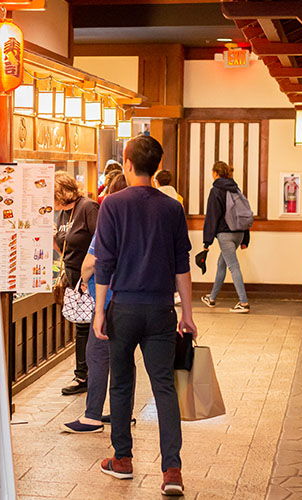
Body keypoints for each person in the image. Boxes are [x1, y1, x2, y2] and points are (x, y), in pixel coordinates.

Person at [92, 135, 196, 496]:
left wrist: (99, 311)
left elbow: (105, 263)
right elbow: (182, 264)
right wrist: (188, 313)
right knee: (164, 386)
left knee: (121, 382)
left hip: (124, 307)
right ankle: (172, 471)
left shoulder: (112, 205)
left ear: (128, 163)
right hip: (161, 310)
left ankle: (122, 459)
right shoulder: (171, 208)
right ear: (155, 166)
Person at [60, 172, 131, 434]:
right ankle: (122, 412)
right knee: (123, 358)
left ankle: (92, 417)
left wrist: (82, 279)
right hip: (136, 297)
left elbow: (91, 261)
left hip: (108, 297)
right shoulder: (149, 216)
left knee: (97, 354)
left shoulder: (110, 215)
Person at [54, 171, 99, 396]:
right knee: (80, 325)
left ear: (62, 193)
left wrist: (88, 275)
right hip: (72, 274)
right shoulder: (62, 213)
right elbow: (63, 244)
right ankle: (83, 374)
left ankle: (89, 375)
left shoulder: (88, 208)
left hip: (90, 277)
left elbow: (101, 241)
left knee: (89, 326)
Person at [201, 161, 251, 313]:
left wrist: (207, 241)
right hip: (239, 233)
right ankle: (212, 298)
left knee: (233, 266)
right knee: (221, 264)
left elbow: (212, 216)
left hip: (225, 235)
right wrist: (245, 239)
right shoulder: (235, 189)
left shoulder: (216, 190)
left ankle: (243, 303)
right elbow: (242, 213)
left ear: (215, 173)